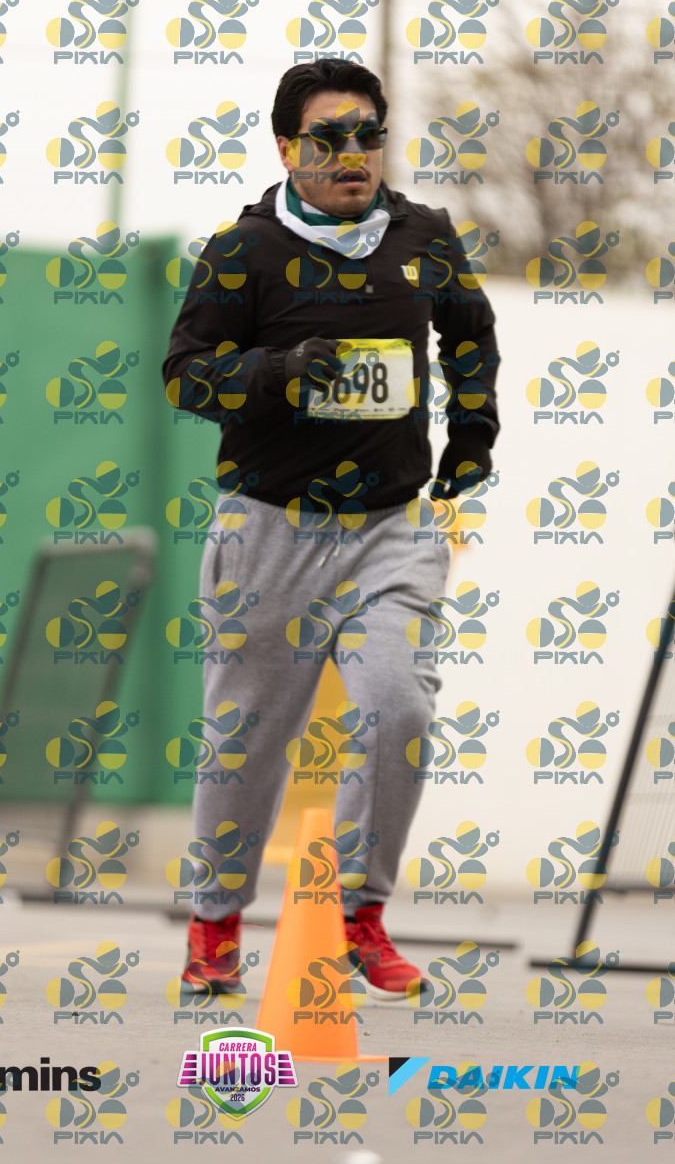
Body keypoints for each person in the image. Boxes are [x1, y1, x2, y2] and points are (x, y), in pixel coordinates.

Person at [162, 58, 499, 1001]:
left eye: (368, 135)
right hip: (267, 529)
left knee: (400, 709)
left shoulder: (423, 235)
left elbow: (469, 334)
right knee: (247, 740)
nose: (353, 153)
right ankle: (215, 925)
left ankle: (359, 913)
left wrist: (473, 431)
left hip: (390, 529)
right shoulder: (242, 251)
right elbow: (185, 374)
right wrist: (275, 371)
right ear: (287, 149)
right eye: (329, 138)